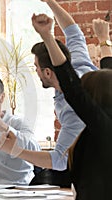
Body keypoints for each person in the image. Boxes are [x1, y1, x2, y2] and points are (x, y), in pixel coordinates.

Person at [0, 0, 98, 187]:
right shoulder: (78, 63)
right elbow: (73, 31)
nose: (35, 71)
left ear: (47, 72)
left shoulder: (73, 110)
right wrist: (50, 2)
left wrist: (15, 151)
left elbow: (59, 161)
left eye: (36, 67)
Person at [31, 12, 112, 200]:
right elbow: (108, 74)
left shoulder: (102, 127)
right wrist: (103, 41)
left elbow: (70, 86)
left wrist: (47, 36)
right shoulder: (106, 112)